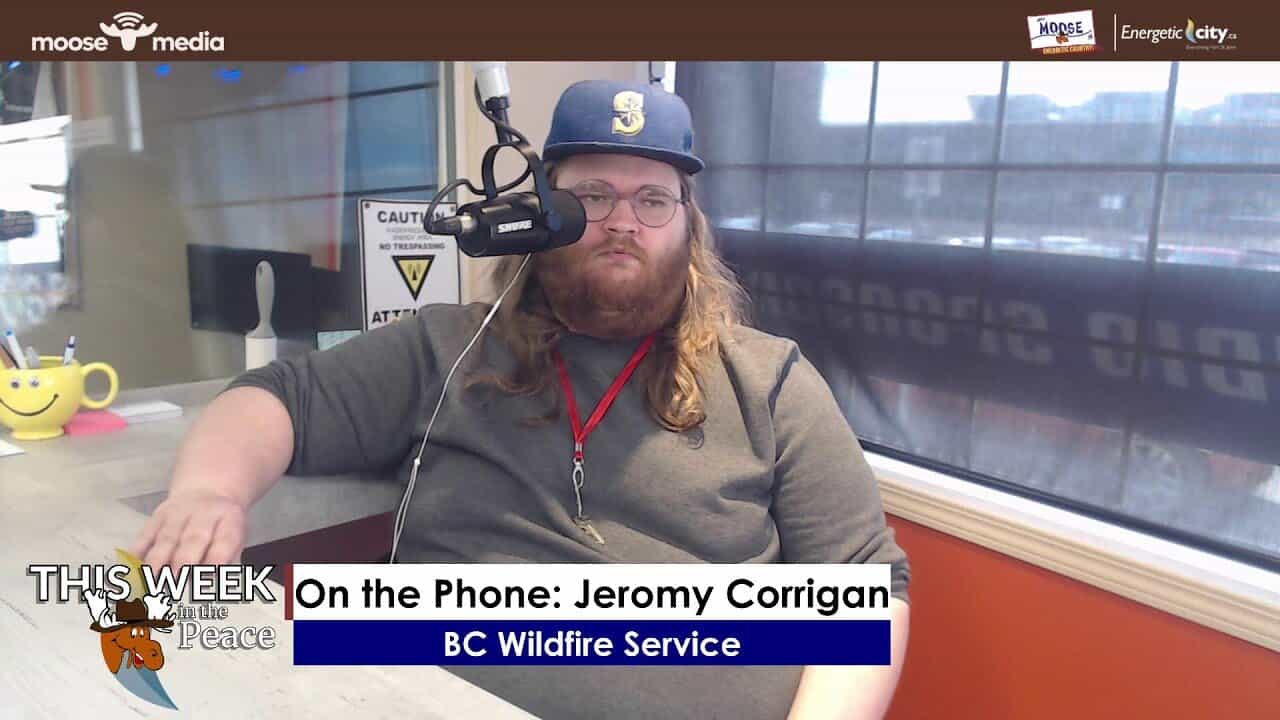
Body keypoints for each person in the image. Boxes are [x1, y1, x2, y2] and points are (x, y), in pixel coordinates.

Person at [132, 79, 911, 720]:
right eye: (593, 195)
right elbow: (274, 399)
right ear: (544, 213)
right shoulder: (447, 347)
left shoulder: (770, 382)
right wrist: (210, 489)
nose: (621, 223)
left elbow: (869, 590)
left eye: (652, 201)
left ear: (688, 227)